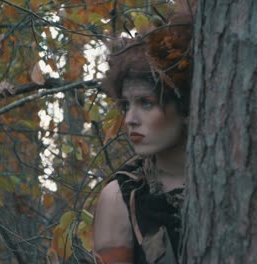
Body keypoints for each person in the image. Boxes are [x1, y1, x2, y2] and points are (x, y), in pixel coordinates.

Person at [93, 13, 193, 264]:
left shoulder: (234, 177)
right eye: (126, 105)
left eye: (146, 103)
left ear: (185, 107)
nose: (129, 119)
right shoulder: (123, 197)